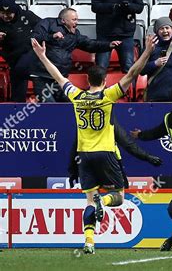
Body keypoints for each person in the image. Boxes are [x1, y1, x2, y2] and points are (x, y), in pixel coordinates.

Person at [31, 34, 157, 254]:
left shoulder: (76, 96)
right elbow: (133, 73)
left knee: (89, 201)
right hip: (106, 152)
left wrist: (42, 56)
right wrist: (146, 51)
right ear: (104, 81)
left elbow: (58, 76)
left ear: (88, 81)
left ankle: (89, 241)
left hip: (85, 156)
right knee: (118, 197)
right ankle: (104, 201)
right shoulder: (108, 96)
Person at [30, 8, 121, 102]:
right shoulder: (47, 23)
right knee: (49, 107)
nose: (77, 22)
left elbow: (90, 44)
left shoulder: (75, 34)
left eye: (77, 19)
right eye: (74, 19)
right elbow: (34, 38)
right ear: (63, 20)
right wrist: (52, 37)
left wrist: (109, 45)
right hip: (43, 77)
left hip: (61, 79)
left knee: (70, 105)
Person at [68, 116, 163, 189]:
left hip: (86, 161)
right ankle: (105, 202)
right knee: (121, 195)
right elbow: (127, 144)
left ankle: (98, 205)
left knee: (91, 198)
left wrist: (73, 171)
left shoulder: (83, 122)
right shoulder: (108, 118)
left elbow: (75, 146)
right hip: (109, 161)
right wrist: (147, 156)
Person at [91, 0, 144, 72]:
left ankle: (128, 91)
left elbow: (140, 7)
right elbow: (95, 6)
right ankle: (99, 90)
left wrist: (128, 6)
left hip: (126, 33)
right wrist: (113, 7)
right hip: (105, 33)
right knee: (100, 69)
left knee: (128, 69)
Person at [0, 0, 41, 102]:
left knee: (20, 69)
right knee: (17, 74)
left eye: (9, 14)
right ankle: (17, 104)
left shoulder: (27, 15)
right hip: (11, 56)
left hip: (28, 52)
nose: (5, 16)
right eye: (2, 13)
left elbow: (42, 26)